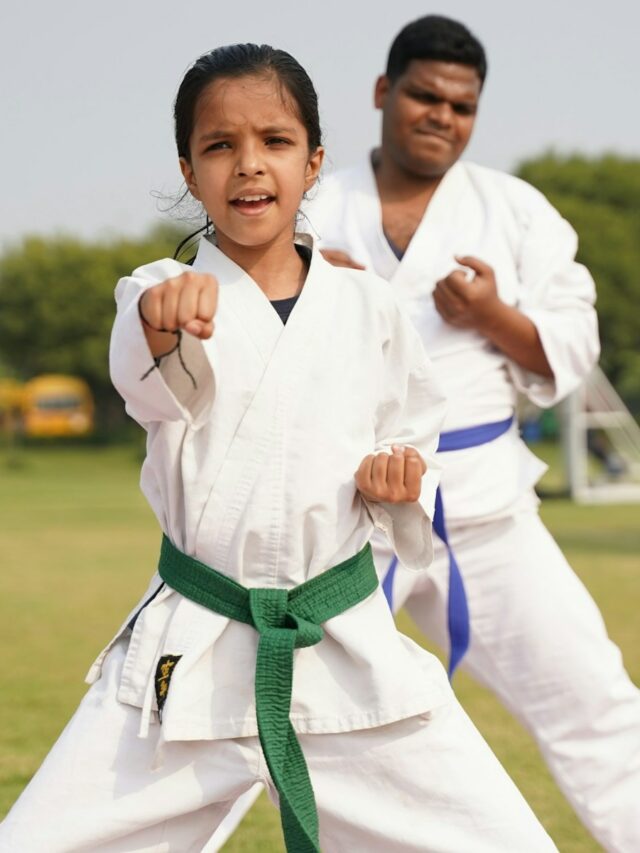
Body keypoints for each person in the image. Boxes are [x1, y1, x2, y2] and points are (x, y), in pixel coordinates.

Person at [0, 43, 556, 853]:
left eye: (275, 141)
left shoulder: (368, 307)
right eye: (219, 146)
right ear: (189, 171)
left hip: (345, 648)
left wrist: (397, 481)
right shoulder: (162, 288)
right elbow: (145, 375)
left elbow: (413, 439)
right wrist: (161, 315)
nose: (249, 166)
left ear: (315, 160)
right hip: (192, 650)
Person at [303, 15, 639, 853]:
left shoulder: (515, 212)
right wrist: (311, 288)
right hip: (343, 513)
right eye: (424, 95)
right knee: (273, 712)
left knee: (593, 701)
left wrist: (491, 314)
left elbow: (570, 350)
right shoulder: (313, 208)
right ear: (384, 94)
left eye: (462, 105)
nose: (441, 116)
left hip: (484, 509)